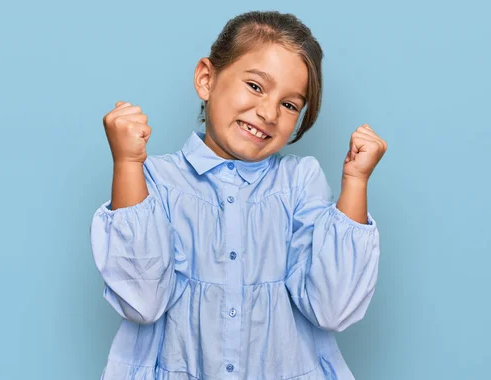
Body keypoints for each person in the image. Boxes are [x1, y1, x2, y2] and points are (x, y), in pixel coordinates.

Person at [91, 10, 387, 380]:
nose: (268, 112)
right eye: (256, 86)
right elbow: (143, 302)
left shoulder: (299, 182)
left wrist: (356, 182)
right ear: (206, 79)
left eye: (290, 104)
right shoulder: (155, 180)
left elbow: (333, 309)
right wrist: (127, 162)